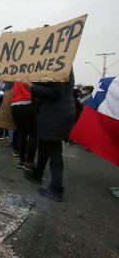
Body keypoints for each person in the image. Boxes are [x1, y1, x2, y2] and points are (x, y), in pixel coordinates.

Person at [23, 69, 76, 202]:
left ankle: (56, 189)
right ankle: (37, 175)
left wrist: (31, 86)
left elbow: (55, 92)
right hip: (53, 111)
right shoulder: (57, 62)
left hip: (56, 111)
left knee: (54, 150)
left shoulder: (60, 64)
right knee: (45, 145)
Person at [11, 82, 37, 170]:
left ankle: (21, 161)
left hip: (14, 105)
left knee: (22, 134)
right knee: (33, 134)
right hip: (28, 102)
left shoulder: (17, 73)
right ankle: (29, 163)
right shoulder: (34, 70)